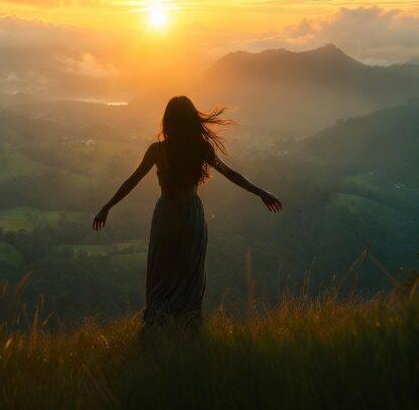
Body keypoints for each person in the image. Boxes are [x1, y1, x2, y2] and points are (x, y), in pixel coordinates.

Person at [92, 95, 282, 335]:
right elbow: (231, 174)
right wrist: (261, 193)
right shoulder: (200, 149)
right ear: (192, 120)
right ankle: (188, 328)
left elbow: (131, 181)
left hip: (166, 217)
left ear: (167, 121)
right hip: (191, 216)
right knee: (188, 275)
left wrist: (106, 207)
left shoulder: (157, 150)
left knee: (162, 273)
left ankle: (156, 327)